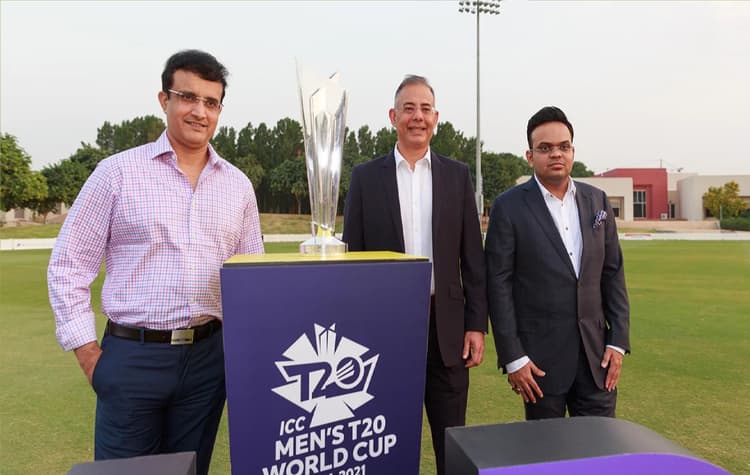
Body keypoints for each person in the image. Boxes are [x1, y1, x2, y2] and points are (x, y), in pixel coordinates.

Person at [48, 49, 263, 475]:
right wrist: (88, 353)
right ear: (165, 100)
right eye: (188, 97)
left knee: (190, 469)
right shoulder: (117, 173)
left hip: (207, 361)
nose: (199, 111)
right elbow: (68, 265)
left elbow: (250, 278)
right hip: (133, 357)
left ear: (219, 110)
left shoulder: (238, 186)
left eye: (211, 102)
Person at [342, 75, 487, 475]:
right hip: (384, 333)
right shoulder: (365, 178)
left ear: (436, 118)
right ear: (393, 117)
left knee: (452, 448)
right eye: (409, 108)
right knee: (385, 447)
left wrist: (476, 325)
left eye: (425, 109)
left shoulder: (457, 176)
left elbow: (473, 260)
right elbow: (351, 262)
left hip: (447, 332)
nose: (417, 117)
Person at [485, 106, 630, 421]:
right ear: (529, 156)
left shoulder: (597, 201)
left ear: (573, 152)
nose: (556, 154)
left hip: (597, 360)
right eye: (545, 148)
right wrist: (513, 357)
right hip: (538, 365)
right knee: (546, 450)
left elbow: (613, 274)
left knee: (600, 448)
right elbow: (498, 285)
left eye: (564, 146)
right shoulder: (508, 207)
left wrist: (618, 342)